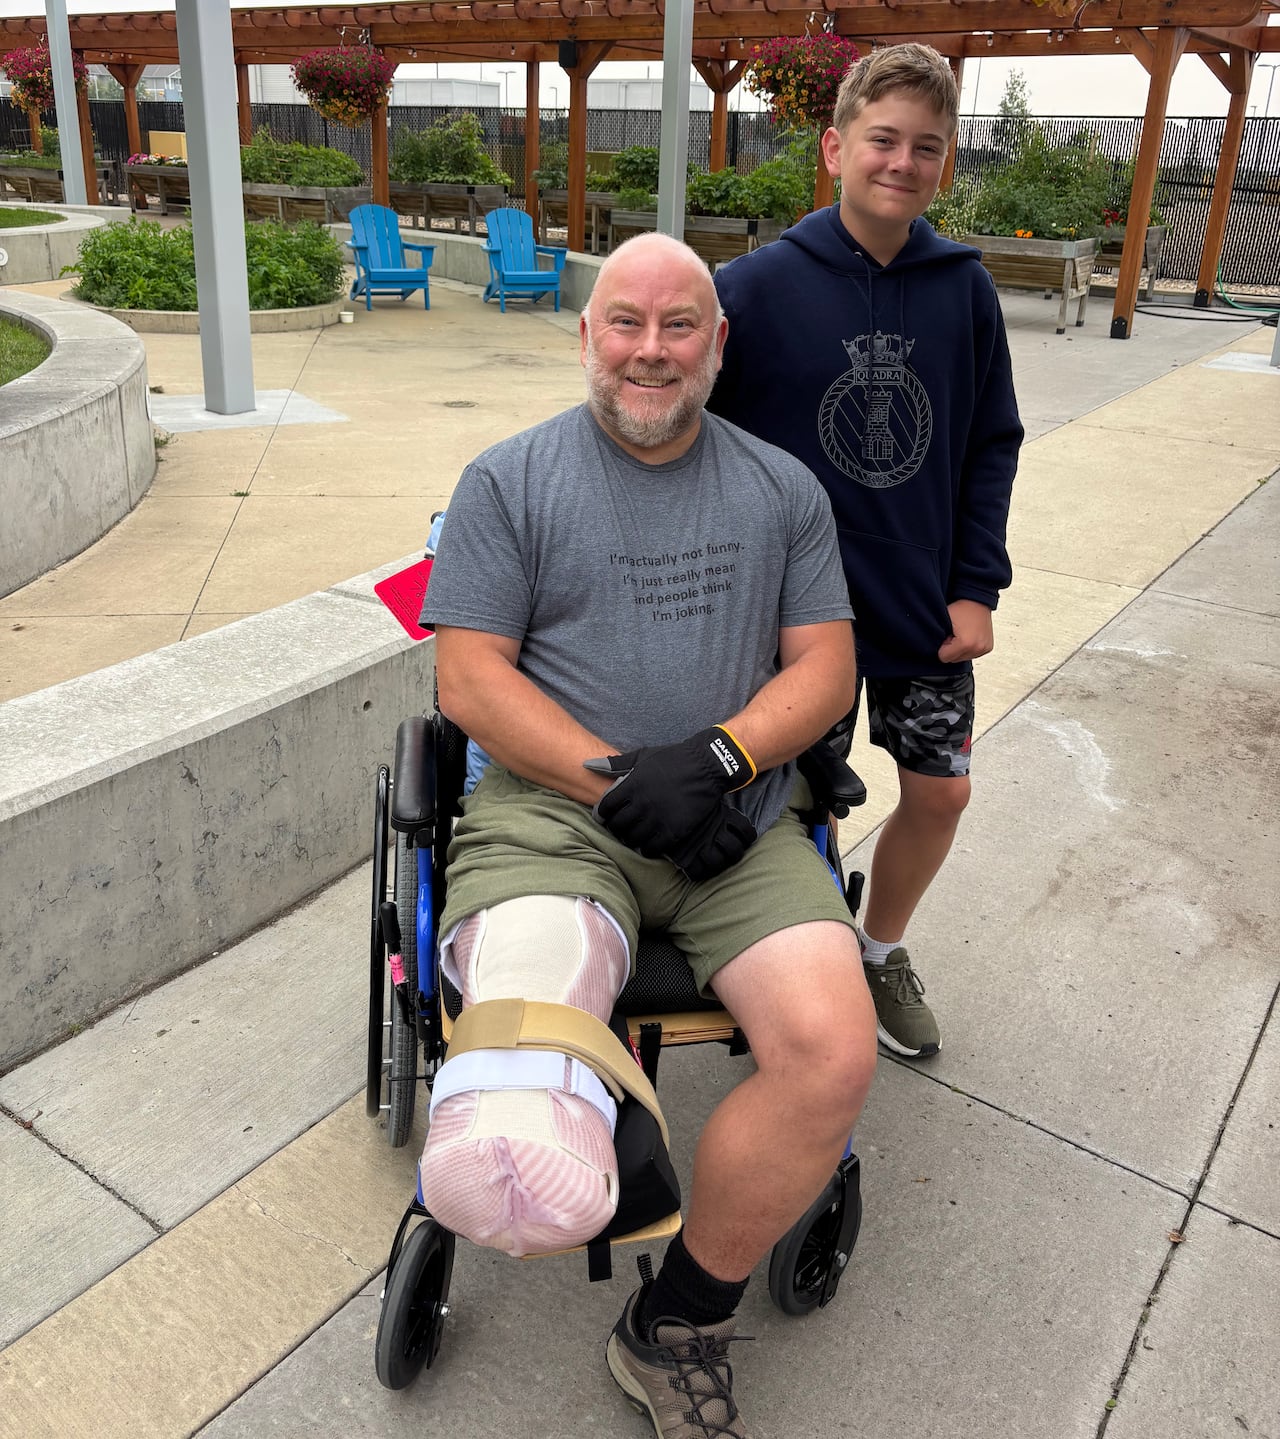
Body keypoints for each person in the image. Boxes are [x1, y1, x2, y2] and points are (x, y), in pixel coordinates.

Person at [420, 231, 877, 1439]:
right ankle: (544, 1119)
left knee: (833, 1048)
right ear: (586, 334)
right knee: (529, 1031)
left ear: (716, 344)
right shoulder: (507, 481)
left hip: (741, 831)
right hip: (552, 820)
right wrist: (623, 782)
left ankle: (674, 1317)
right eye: (624, 321)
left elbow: (825, 668)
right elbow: (467, 677)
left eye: (679, 326)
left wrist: (719, 762)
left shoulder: (780, 488)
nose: (649, 350)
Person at [709, 42, 1024, 1061]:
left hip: (919, 606)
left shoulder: (963, 292)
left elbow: (989, 443)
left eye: (925, 147)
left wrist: (974, 585)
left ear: (943, 163)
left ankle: (876, 945)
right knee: (793, 805)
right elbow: (686, 438)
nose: (901, 161)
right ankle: (788, 960)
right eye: (881, 139)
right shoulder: (751, 289)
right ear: (834, 144)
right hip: (789, 618)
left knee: (939, 789)